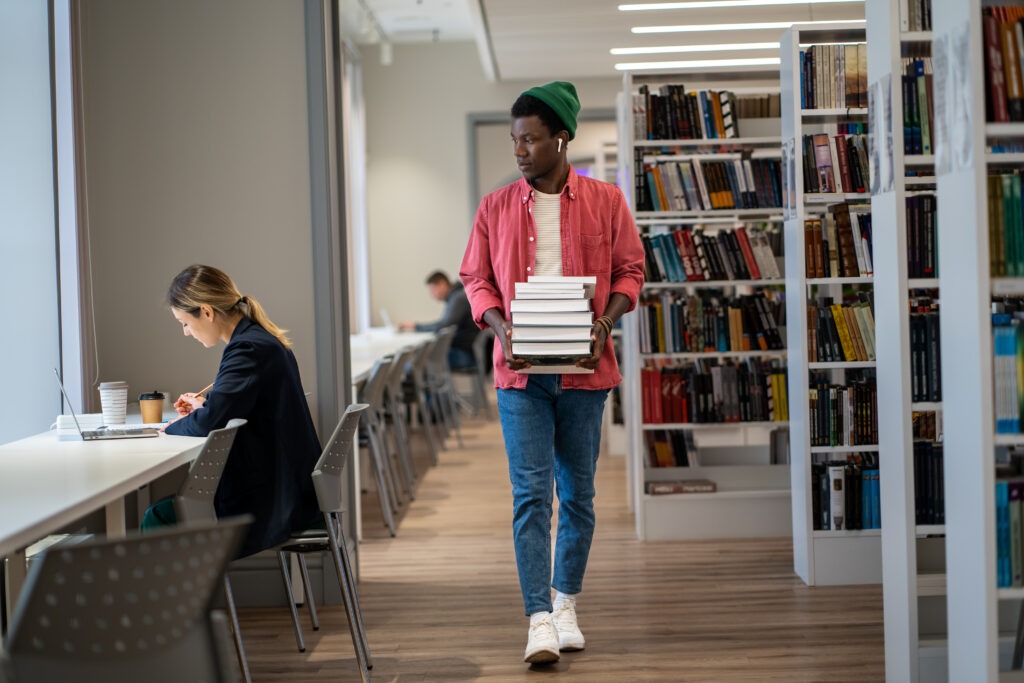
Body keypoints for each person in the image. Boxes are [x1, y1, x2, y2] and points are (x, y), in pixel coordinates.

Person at [459, 81, 645, 664]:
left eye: (530, 140)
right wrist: (500, 326)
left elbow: (630, 272)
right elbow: (476, 278)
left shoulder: (607, 201)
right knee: (531, 497)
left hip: (586, 375)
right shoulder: (494, 207)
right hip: (521, 377)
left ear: (561, 139)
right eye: (515, 141)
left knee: (580, 496)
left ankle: (566, 602)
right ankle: (538, 617)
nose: (519, 151)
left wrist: (604, 323)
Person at [141, 264, 322, 559]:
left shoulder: (246, 348)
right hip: (290, 488)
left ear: (207, 311)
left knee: (159, 517)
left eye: (184, 323)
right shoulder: (260, 340)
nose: (186, 332)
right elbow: (231, 410)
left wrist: (171, 427)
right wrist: (204, 407)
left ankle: (173, 604)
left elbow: (213, 421)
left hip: (273, 499)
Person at [398, 270, 478, 370]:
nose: (432, 295)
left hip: (465, 355)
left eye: (433, 290)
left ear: (442, 284)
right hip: (465, 352)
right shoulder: (456, 297)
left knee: (418, 360)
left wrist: (416, 326)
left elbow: (444, 325)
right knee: (419, 356)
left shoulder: (458, 298)